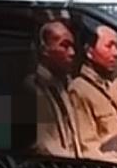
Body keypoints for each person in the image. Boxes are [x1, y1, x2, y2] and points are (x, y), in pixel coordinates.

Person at [69, 24, 117, 164]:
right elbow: (88, 148)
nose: (116, 53)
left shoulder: (111, 88)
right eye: (109, 46)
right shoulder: (79, 90)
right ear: (90, 52)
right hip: (107, 167)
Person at [32, 17, 82, 158]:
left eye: (72, 46)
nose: (72, 52)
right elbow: (44, 145)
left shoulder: (63, 87)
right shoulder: (33, 89)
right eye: (64, 46)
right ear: (45, 50)